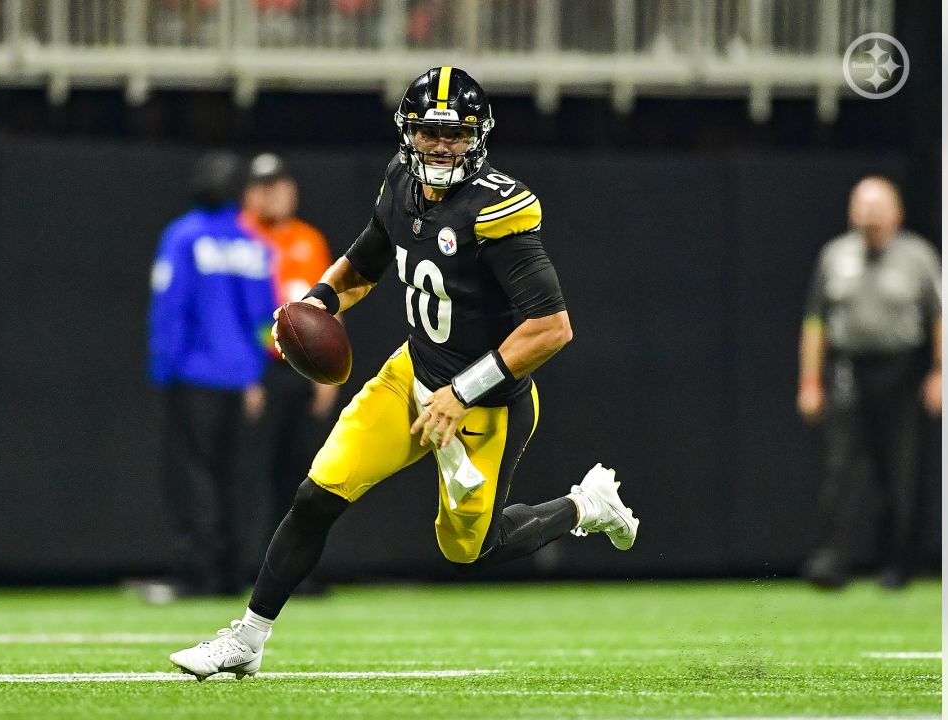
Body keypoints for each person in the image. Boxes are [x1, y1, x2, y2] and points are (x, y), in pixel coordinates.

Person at [169, 67, 641, 679]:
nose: (440, 146)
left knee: (472, 549)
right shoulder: (400, 184)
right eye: (429, 132)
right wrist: (319, 300)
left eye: (455, 134)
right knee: (318, 494)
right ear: (408, 134)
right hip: (410, 376)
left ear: (478, 137)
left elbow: (551, 327)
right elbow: (366, 260)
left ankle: (585, 505)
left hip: (485, 404)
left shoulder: (496, 210)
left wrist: (461, 392)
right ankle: (247, 640)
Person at [798, 176, 942, 590]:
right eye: (862, 206)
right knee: (840, 467)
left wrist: (940, 370)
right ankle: (830, 561)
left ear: (897, 213)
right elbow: (815, 322)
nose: (869, 215)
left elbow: (939, 316)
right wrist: (810, 379)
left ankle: (897, 563)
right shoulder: (835, 256)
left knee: (898, 470)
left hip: (900, 370)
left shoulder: (918, 257)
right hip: (848, 368)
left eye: (878, 207)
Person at [146, 150, 276, 599]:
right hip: (243, 381)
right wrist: (256, 375)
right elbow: (265, 320)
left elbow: (170, 309)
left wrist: (165, 369)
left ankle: (197, 574)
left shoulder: (183, 237)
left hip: (194, 377)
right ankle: (231, 574)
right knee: (235, 478)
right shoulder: (252, 245)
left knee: (192, 476)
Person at [239, 153, 339, 589]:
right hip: (260, 368)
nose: (273, 192)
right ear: (249, 192)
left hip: (302, 370)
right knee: (253, 470)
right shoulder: (239, 236)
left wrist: (329, 372)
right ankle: (249, 565)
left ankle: (296, 570)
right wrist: (246, 372)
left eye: (279, 183)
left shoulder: (308, 239)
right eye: (264, 185)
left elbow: (331, 305)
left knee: (304, 473)